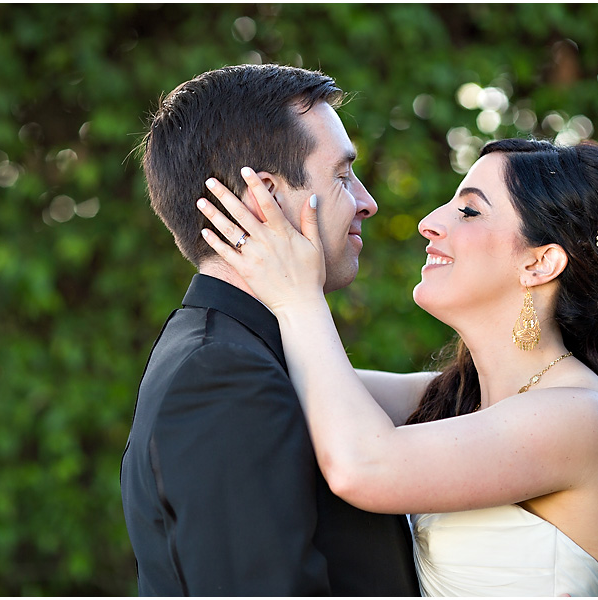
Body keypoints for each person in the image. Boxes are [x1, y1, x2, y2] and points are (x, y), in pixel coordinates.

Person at [197, 138, 598, 596]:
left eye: (469, 210)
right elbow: (275, 381)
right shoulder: (448, 399)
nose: (428, 223)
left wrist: (298, 296)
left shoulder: (587, 420)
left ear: (540, 263)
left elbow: (362, 466)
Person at [119, 64, 420, 596]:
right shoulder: (220, 373)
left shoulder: (257, 349)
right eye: (343, 176)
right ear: (265, 197)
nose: (368, 202)